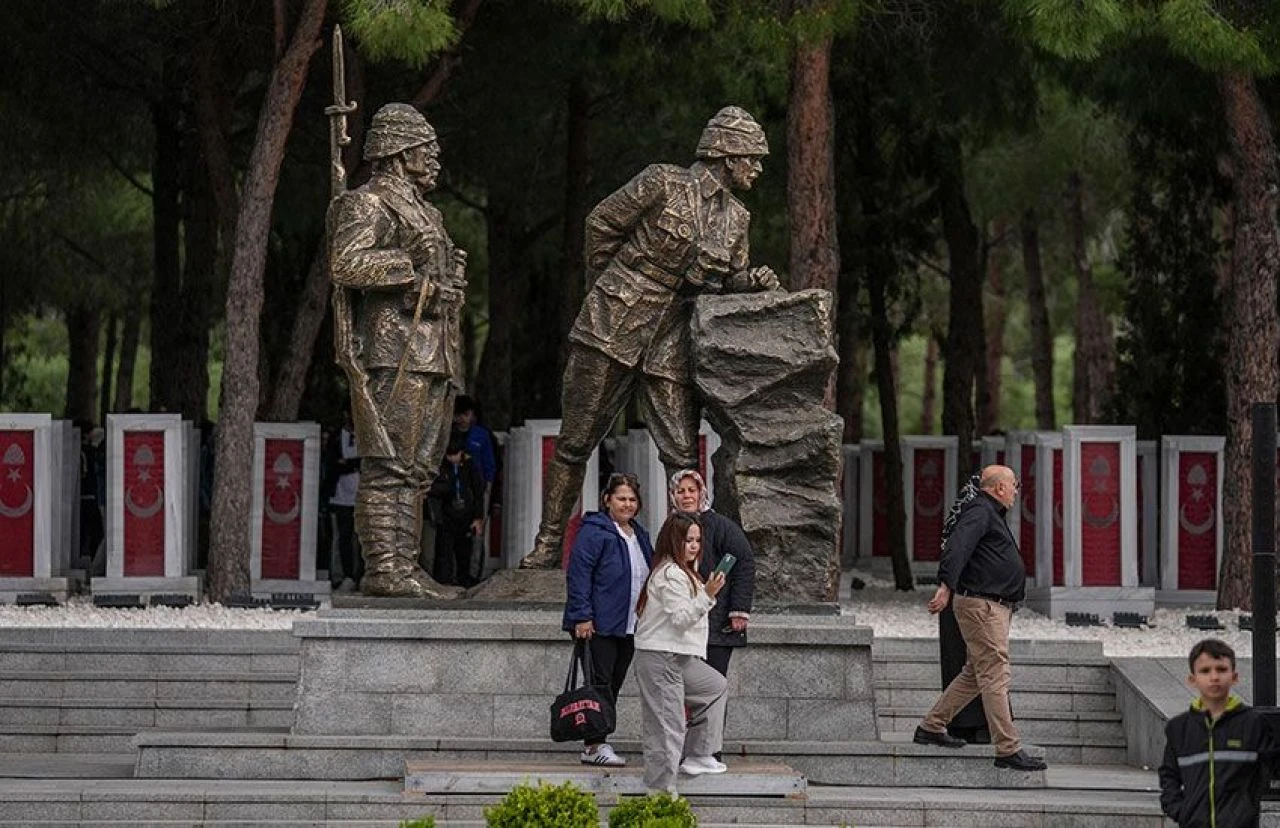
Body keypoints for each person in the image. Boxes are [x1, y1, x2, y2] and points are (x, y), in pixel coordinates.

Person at [523, 106, 781, 569]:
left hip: (671, 338)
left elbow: (729, 280)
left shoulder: (737, 218)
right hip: (613, 322)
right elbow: (600, 225)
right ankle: (546, 544)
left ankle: (688, 554)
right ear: (726, 154)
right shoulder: (662, 182)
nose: (757, 170)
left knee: (681, 452)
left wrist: (751, 281)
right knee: (576, 441)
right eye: (752, 159)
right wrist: (610, 286)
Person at [329, 102, 467, 598]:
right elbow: (345, 263)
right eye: (425, 149)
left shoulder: (427, 210)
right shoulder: (368, 202)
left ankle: (405, 567)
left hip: (434, 348)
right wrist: (409, 264)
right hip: (394, 348)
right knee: (389, 461)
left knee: (419, 466)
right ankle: (385, 568)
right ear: (399, 151)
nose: (433, 158)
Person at [913, 465, 1046, 772]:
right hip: (983, 606)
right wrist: (945, 587)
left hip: (991, 606)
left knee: (975, 673)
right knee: (996, 672)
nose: (1016, 490)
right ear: (999, 488)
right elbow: (956, 548)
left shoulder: (988, 512)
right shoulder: (979, 511)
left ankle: (931, 726)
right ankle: (1008, 749)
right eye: (1014, 484)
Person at [633, 511, 729, 795]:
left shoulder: (685, 572)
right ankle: (660, 794)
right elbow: (681, 618)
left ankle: (699, 754)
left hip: (679, 656)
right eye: (688, 540)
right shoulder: (670, 574)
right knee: (666, 727)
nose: (695, 546)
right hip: (660, 656)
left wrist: (705, 591)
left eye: (698, 540)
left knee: (715, 687)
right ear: (674, 540)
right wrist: (708, 594)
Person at [562, 472, 652, 768]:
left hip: (629, 626)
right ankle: (594, 744)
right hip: (598, 625)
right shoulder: (594, 532)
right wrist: (582, 616)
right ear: (607, 500)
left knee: (612, 684)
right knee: (598, 684)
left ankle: (599, 740)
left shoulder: (640, 535)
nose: (627, 504)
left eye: (632, 499)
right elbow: (579, 575)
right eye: (621, 498)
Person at [1159, 639, 1279, 828]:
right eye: (1205, 671)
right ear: (1192, 679)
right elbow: (1169, 775)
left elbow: (1271, 767)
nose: (1214, 677)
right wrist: (1180, 810)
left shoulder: (1253, 724)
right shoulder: (1179, 728)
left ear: (1235, 676)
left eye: (1221, 669)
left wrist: (1246, 806)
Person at [668, 470, 754, 677]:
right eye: (680, 491)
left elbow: (744, 562)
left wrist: (739, 610)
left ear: (701, 493)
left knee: (712, 686)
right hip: (682, 622)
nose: (687, 496)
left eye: (692, 490)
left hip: (716, 621)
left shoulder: (720, 526)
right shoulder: (670, 528)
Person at [427, 438, 485, 587]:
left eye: (455, 454)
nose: (452, 458)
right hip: (446, 515)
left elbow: (478, 492)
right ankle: (444, 581)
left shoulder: (470, 466)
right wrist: (447, 487)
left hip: (466, 515)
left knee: (464, 551)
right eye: (449, 455)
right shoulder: (441, 467)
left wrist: (478, 517)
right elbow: (432, 489)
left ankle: (464, 580)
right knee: (444, 552)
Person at [324, 408, 362, 591]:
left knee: (362, 539)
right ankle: (344, 576)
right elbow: (332, 463)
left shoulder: (367, 437)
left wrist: (350, 463)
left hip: (362, 496)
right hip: (340, 497)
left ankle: (360, 575)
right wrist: (350, 465)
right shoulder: (336, 437)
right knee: (343, 537)